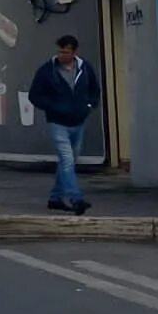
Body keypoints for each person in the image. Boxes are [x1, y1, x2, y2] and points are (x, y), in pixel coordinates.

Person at [28, 34, 101, 215]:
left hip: (78, 121)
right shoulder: (47, 71)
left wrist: (89, 106)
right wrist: (53, 108)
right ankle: (76, 199)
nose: (61, 55)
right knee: (67, 160)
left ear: (74, 51)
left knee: (69, 161)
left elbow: (95, 89)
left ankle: (55, 198)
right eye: (59, 51)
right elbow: (34, 95)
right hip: (57, 122)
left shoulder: (84, 68)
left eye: (65, 51)